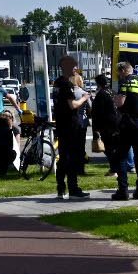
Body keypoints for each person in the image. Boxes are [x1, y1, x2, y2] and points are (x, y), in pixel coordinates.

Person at [113, 65, 138, 200]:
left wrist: (115, 99)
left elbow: (120, 102)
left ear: (123, 71)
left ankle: (123, 190)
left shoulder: (125, 81)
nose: (119, 75)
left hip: (128, 122)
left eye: (119, 73)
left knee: (121, 156)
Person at [51, 65, 89, 200]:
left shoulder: (57, 83)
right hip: (70, 125)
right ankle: (73, 188)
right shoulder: (66, 85)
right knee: (71, 157)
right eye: (73, 68)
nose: (75, 70)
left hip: (61, 124)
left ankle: (60, 189)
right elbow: (72, 105)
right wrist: (84, 98)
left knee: (62, 157)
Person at [91, 72, 119, 182]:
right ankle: (116, 168)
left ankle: (114, 169)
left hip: (107, 125)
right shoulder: (113, 92)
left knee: (108, 148)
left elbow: (97, 113)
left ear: (98, 84)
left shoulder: (101, 94)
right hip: (117, 123)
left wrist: (96, 129)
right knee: (116, 147)